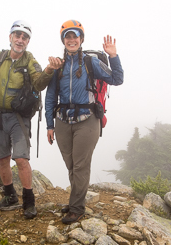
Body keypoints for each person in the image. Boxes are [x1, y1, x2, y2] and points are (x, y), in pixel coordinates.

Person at [0, 20, 59, 219]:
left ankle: (29, 201)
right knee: (2, 157)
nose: (20, 39)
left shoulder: (30, 61)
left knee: (21, 158)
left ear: (28, 42)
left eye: (25, 37)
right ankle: (10, 196)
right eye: (17, 35)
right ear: (10, 37)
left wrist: (49, 70)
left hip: (19, 118)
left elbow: (39, 83)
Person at [45, 20, 124, 224]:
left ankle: (76, 208)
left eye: (75, 36)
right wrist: (49, 125)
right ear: (63, 40)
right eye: (68, 36)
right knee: (71, 165)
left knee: (80, 165)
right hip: (62, 120)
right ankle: (75, 202)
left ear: (81, 39)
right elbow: (51, 97)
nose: (72, 40)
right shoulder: (58, 66)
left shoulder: (91, 62)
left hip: (87, 120)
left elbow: (116, 78)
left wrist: (113, 56)